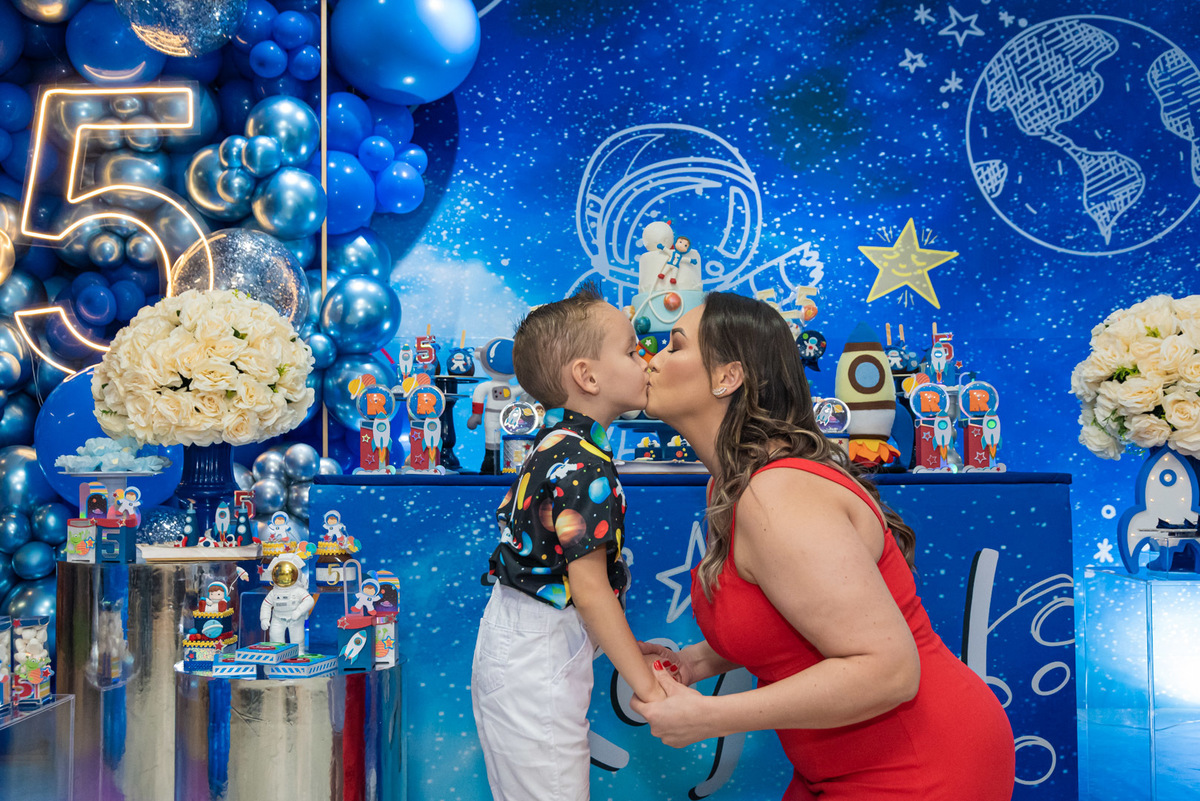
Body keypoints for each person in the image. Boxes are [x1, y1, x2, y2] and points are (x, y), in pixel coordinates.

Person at [631, 292, 1015, 801]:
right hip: (832, 768)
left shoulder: (777, 494)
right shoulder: (731, 484)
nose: (653, 358)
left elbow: (889, 670)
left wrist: (711, 716)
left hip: (920, 763)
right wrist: (694, 663)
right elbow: (783, 624)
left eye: (675, 346)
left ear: (728, 377)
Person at [471, 283, 665, 801]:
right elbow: (590, 589)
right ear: (588, 376)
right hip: (535, 657)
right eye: (632, 351)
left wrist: (624, 648)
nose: (645, 361)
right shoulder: (583, 462)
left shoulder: (557, 445)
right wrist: (648, 689)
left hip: (523, 645)